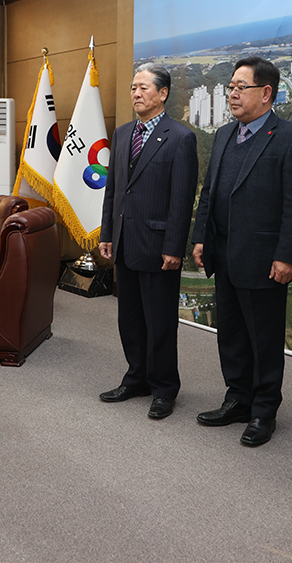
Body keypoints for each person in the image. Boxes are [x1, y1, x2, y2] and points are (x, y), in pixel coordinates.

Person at [191, 56, 292, 446]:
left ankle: (263, 411)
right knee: (230, 334)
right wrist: (200, 238)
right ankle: (237, 399)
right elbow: (209, 192)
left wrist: (287, 255)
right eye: (230, 87)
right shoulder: (226, 134)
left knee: (263, 338)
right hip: (224, 253)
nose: (232, 94)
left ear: (266, 93)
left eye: (240, 87)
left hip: (264, 258)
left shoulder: (291, 137)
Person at [98, 64, 198, 419]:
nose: (136, 93)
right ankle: (136, 377)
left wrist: (174, 247)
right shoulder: (123, 133)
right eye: (132, 87)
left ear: (163, 93)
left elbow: (181, 199)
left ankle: (164, 388)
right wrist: (107, 233)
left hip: (158, 247)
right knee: (130, 318)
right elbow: (113, 191)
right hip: (125, 242)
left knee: (159, 322)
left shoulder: (180, 138)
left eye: (143, 87)